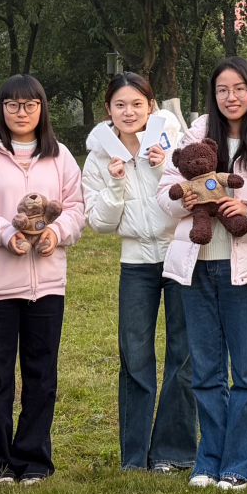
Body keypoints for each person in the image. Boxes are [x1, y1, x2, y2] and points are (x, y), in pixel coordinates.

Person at [158, 57, 247, 491]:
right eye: (222, 90)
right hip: (195, 266)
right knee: (206, 370)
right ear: (213, 96)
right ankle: (207, 461)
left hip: (245, 268)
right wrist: (189, 201)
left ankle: (239, 463)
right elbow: (165, 196)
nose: (230, 97)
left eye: (239, 89)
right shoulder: (193, 137)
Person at [0, 75, 85, 484]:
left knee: (41, 375)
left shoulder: (61, 156)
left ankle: (33, 459)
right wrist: (5, 233)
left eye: (29, 105)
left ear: (42, 108)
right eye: (13, 105)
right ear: (1, 109)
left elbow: (75, 207)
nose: (21, 113)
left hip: (47, 286)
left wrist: (55, 233)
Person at [83, 71, 193, 473]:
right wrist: (115, 182)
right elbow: (100, 223)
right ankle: (133, 457)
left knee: (183, 355)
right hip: (136, 264)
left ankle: (174, 452)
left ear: (151, 106)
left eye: (137, 104)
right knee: (135, 356)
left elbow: (189, 203)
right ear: (108, 110)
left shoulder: (174, 143)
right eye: (119, 105)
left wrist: (162, 169)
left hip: (178, 255)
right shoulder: (99, 156)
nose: (129, 112)